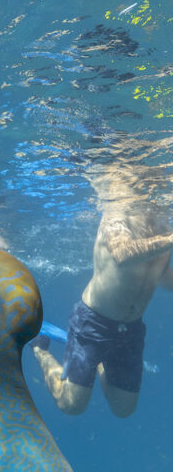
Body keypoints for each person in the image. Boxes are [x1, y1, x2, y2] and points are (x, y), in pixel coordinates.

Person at [33, 170, 173, 418]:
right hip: (93, 323)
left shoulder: (162, 225)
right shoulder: (117, 212)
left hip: (131, 330)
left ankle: (99, 363)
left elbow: (162, 277)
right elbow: (122, 254)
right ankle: (41, 352)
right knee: (72, 405)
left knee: (123, 410)